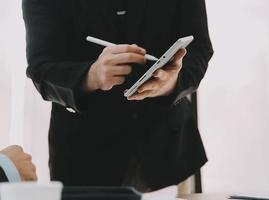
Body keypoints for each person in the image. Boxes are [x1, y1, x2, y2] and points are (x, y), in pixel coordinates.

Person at [22, 0, 213, 191]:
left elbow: (199, 48)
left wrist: (173, 84)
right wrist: (91, 76)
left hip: (170, 153)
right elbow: (41, 67)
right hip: (83, 157)